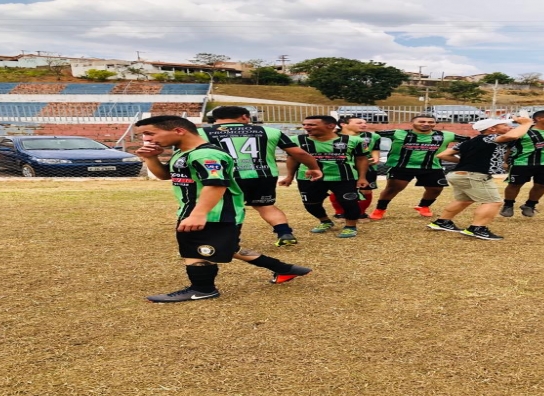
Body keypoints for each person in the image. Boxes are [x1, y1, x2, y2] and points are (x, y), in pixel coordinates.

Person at [134, 115, 311, 303]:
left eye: (149, 133)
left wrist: (198, 214)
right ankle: (285, 269)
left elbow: (216, 185)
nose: (147, 139)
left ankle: (203, 289)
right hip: (198, 210)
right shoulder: (183, 151)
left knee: (195, 251)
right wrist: (150, 158)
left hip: (213, 213)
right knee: (228, 248)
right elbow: (165, 175)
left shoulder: (206, 155)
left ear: (178, 130)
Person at [198, 106, 322, 247]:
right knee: (265, 205)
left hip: (225, 176)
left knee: (229, 207)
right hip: (263, 175)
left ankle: (231, 240)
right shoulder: (270, 131)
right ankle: (285, 233)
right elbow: (299, 153)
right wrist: (314, 168)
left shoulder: (200, 133)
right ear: (245, 116)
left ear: (215, 118)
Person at [429, 117, 534, 240]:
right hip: (474, 175)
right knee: (493, 202)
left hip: (458, 174)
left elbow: (443, 155)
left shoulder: (469, 142)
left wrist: (465, 162)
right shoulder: (490, 138)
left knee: (465, 200)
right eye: (505, 125)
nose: (509, 127)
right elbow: (511, 136)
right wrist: (527, 123)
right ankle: (477, 228)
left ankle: (442, 222)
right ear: (492, 129)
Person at [279, 115, 369, 238]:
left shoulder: (354, 140)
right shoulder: (296, 140)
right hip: (308, 177)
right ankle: (325, 221)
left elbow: (361, 159)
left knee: (349, 202)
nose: (306, 127)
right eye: (305, 124)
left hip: (343, 177)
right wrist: (289, 176)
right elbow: (292, 158)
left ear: (330, 126)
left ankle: (350, 226)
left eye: (311, 125)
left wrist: (362, 177)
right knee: (311, 204)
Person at [369, 115, 469, 220]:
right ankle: (380, 209)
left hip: (432, 167)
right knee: (392, 189)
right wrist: (373, 151)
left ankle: (423, 206)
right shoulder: (397, 133)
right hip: (402, 167)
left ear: (435, 124)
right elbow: (371, 136)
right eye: (422, 121)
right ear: (412, 123)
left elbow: (469, 141)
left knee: (436, 189)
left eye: (430, 122)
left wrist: (460, 154)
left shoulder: (446, 135)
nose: (426, 124)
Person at [328, 116, 381, 219]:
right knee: (337, 190)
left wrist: (376, 157)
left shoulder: (373, 136)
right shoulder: (333, 136)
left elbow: (375, 148)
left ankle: (360, 213)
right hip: (341, 167)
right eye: (359, 123)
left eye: (364, 123)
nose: (364, 125)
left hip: (366, 166)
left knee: (366, 190)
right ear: (343, 124)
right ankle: (340, 212)